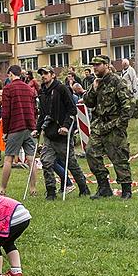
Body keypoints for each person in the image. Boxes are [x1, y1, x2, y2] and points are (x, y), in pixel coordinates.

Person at [72, 55, 133, 199]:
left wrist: (119, 125)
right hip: (99, 124)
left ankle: (126, 189)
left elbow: (128, 106)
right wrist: (93, 89)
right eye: (93, 65)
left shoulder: (117, 81)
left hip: (114, 124)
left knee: (118, 157)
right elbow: (88, 102)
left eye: (98, 65)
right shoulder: (96, 82)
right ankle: (104, 186)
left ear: (106, 65)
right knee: (91, 152)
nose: (95, 68)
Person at [33, 66, 90, 199]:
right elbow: (43, 114)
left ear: (53, 75)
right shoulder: (42, 92)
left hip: (62, 135)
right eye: (41, 73)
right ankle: (51, 191)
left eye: (46, 73)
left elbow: (72, 110)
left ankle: (83, 187)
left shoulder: (61, 89)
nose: (43, 76)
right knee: (46, 162)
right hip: (49, 135)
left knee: (71, 163)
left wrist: (66, 126)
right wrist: (37, 128)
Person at [0, 65, 38, 197]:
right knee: (31, 158)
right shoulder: (29, 88)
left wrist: (5, 131)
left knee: (8, 159)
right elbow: (34, 108)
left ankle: (2, 189)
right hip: (29, 126)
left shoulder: (8, 89)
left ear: (10, 74)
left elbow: (6, 113)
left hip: (15, 127)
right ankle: (33, 189)